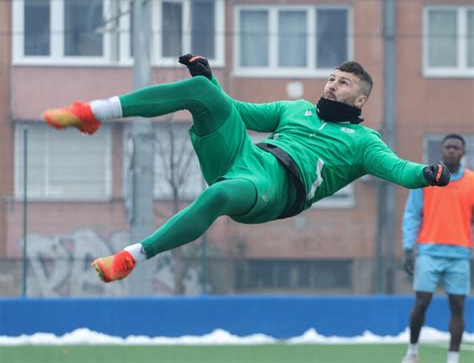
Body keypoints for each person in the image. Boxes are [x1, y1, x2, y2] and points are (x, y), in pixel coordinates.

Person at [42, 55, 450, 284]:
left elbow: (400, 170)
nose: (331, 85)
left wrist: (427, 174)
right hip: (246, 156)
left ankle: (132, 256)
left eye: (343, 83)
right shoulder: (296, 110)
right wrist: (209, 79)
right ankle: (91, 113)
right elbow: (235, 110)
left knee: (218, 195)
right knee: (202, 93)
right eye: (330, 78)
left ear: (360, 101)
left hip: (276, 186)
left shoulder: (364, 142)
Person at [401, 134, 474, 363]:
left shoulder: (472, 182)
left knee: (458, 305)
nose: (452, 151)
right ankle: (412, 351)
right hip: (428, 252)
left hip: (460, 254)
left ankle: (453, 358)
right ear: (441, 151)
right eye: (448, 147)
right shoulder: (427, 178)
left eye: (457, 148)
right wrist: (407, 249)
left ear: (463, 152)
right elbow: (412, 215)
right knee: (421, 302)